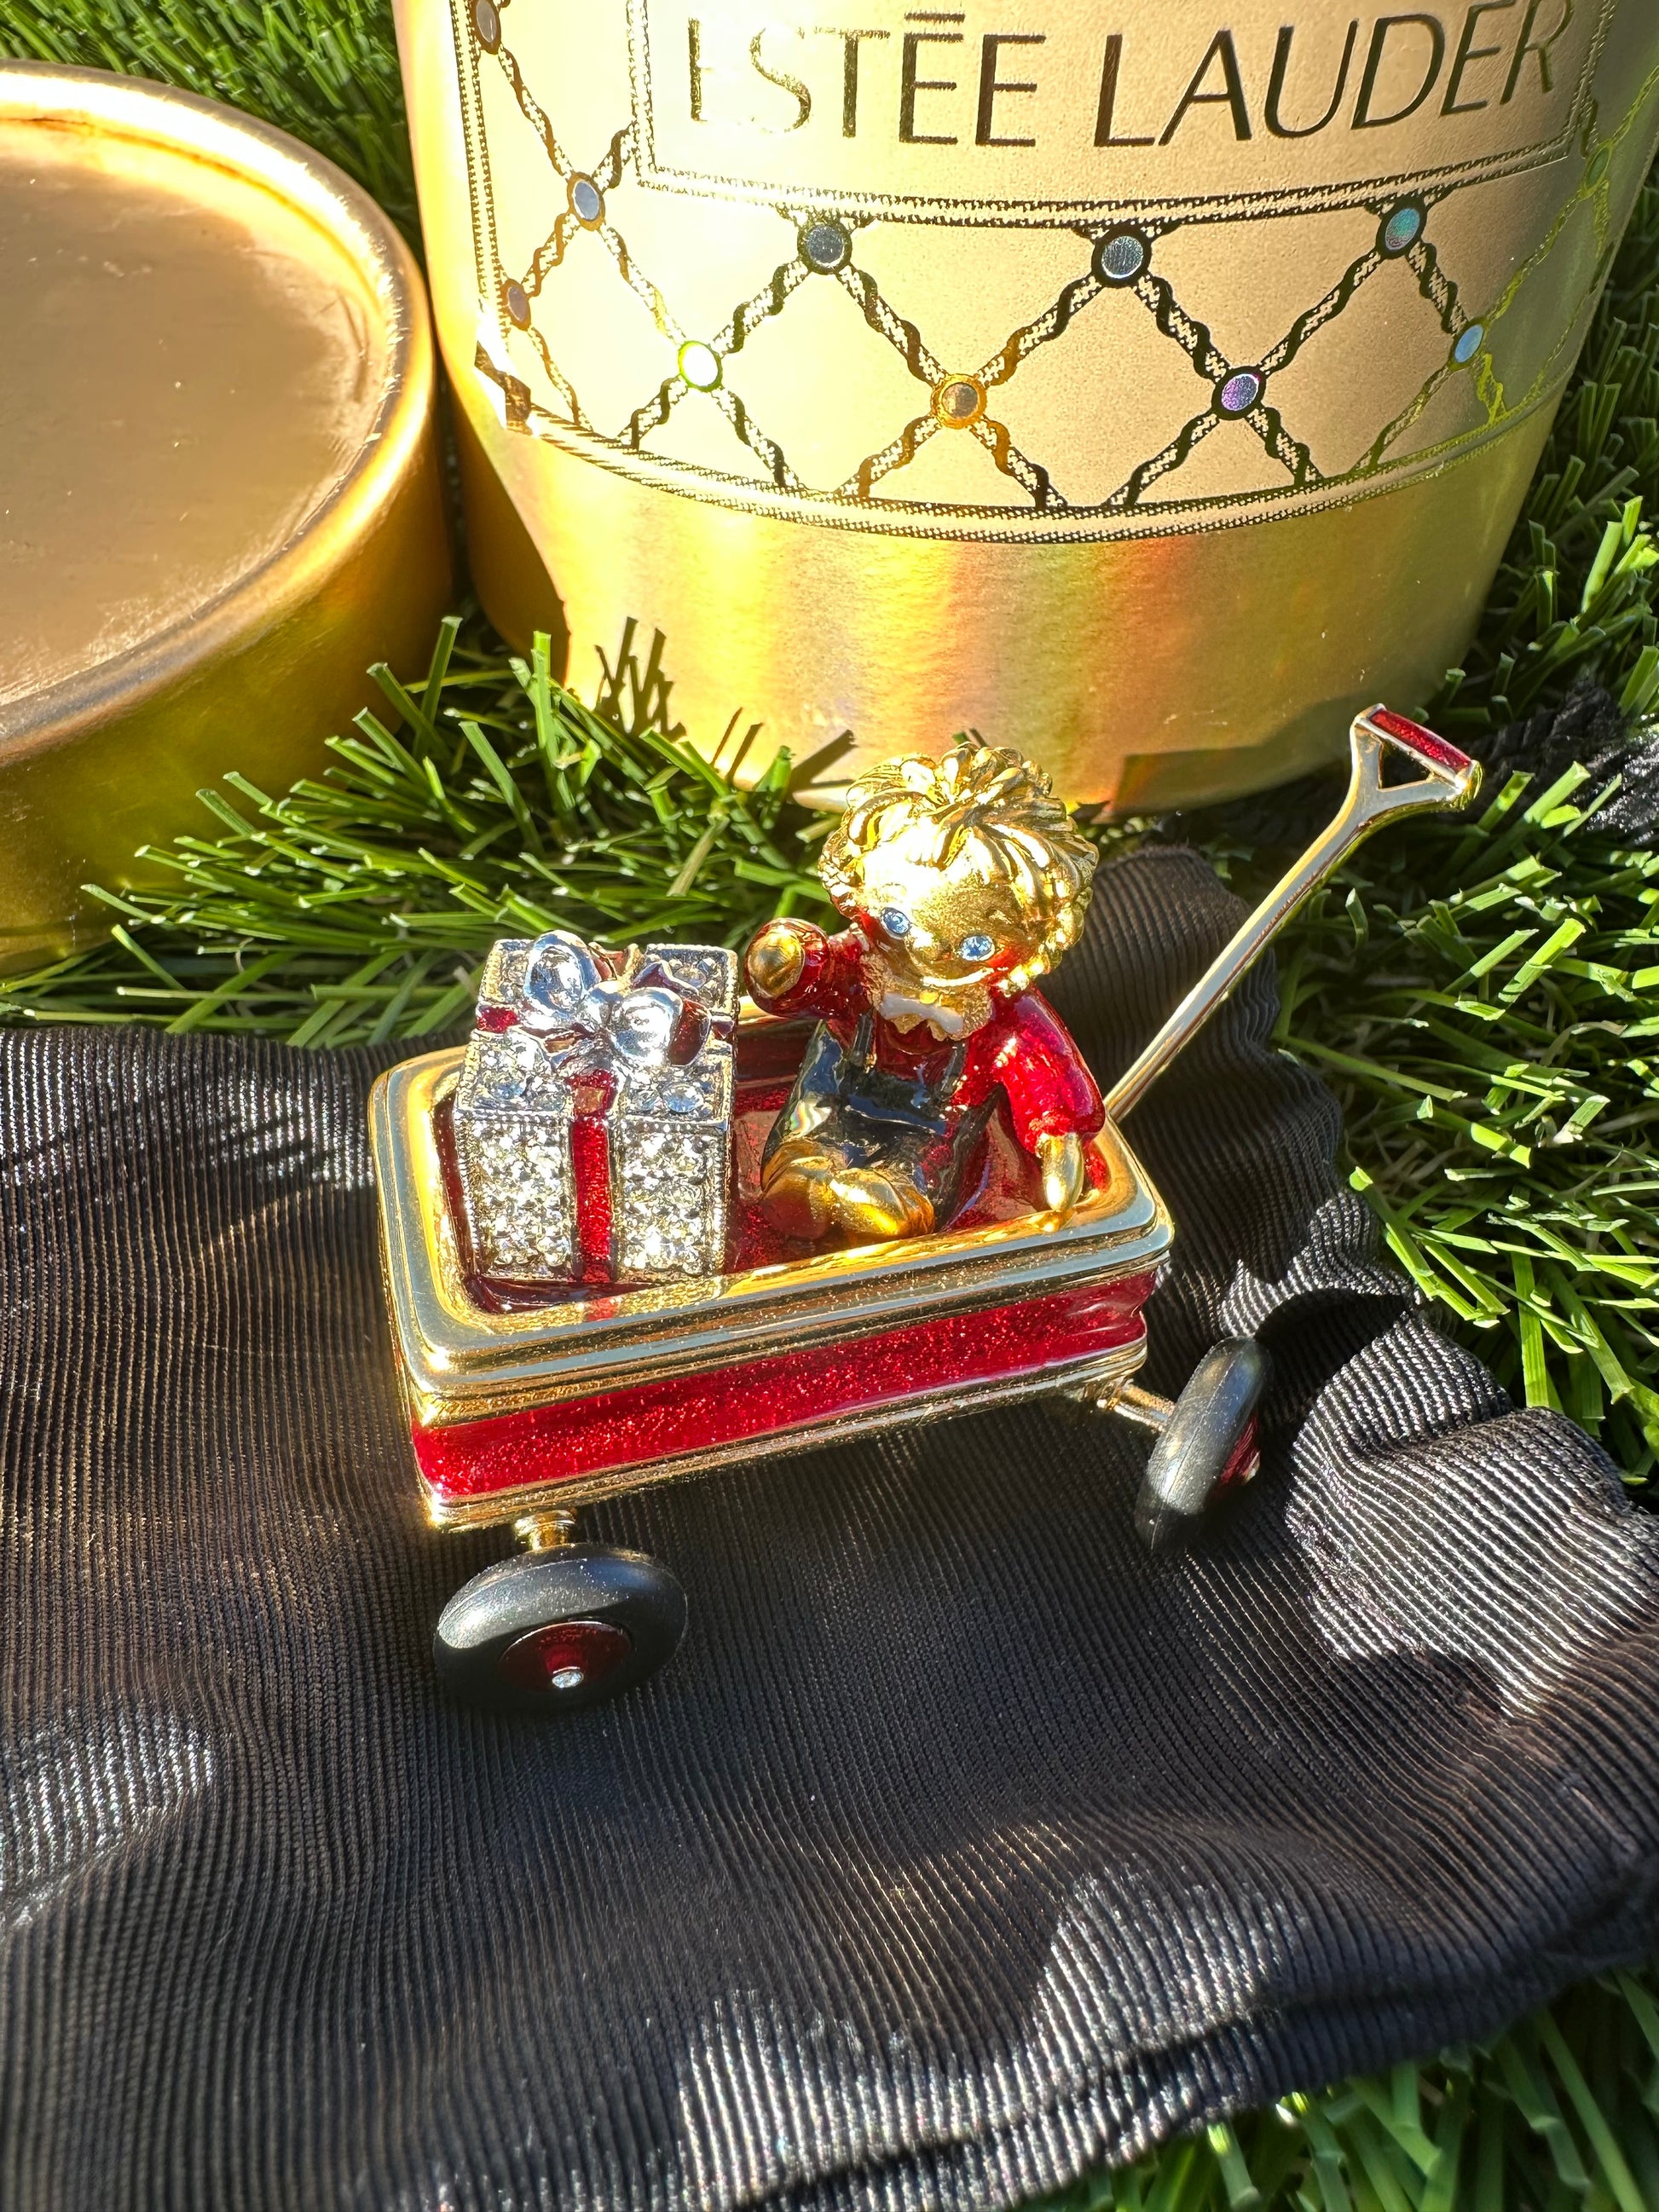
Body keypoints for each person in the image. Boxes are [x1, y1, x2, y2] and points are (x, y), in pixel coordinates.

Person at [745, 741, 1103, 1243]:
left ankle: (898, 1198)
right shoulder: (864, 958)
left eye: (976, 943)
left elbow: (1041, 1062)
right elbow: (815, 977)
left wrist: (1056, 1132)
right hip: (839, 1078)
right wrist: (786, 961)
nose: (927, 950)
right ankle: (801, 1168)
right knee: (814, 1114)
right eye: (897, 919)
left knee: (933, 1154)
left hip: (941, 1111)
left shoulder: (1001, 1009)